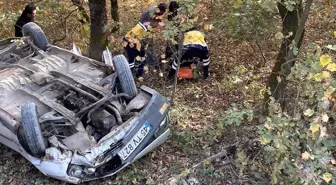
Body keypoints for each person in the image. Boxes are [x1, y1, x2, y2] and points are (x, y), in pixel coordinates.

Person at [123, 3, 167, 78]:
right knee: (145, 50)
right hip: (133, 40)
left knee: (143, 53)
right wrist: (157, 23)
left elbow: (155, 21)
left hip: (137, 36)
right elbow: (151, 24)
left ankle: (140, 69)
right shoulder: (148, 18)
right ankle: (150, 64)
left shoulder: (155, 11)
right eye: (162, 12)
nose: (162, 14)